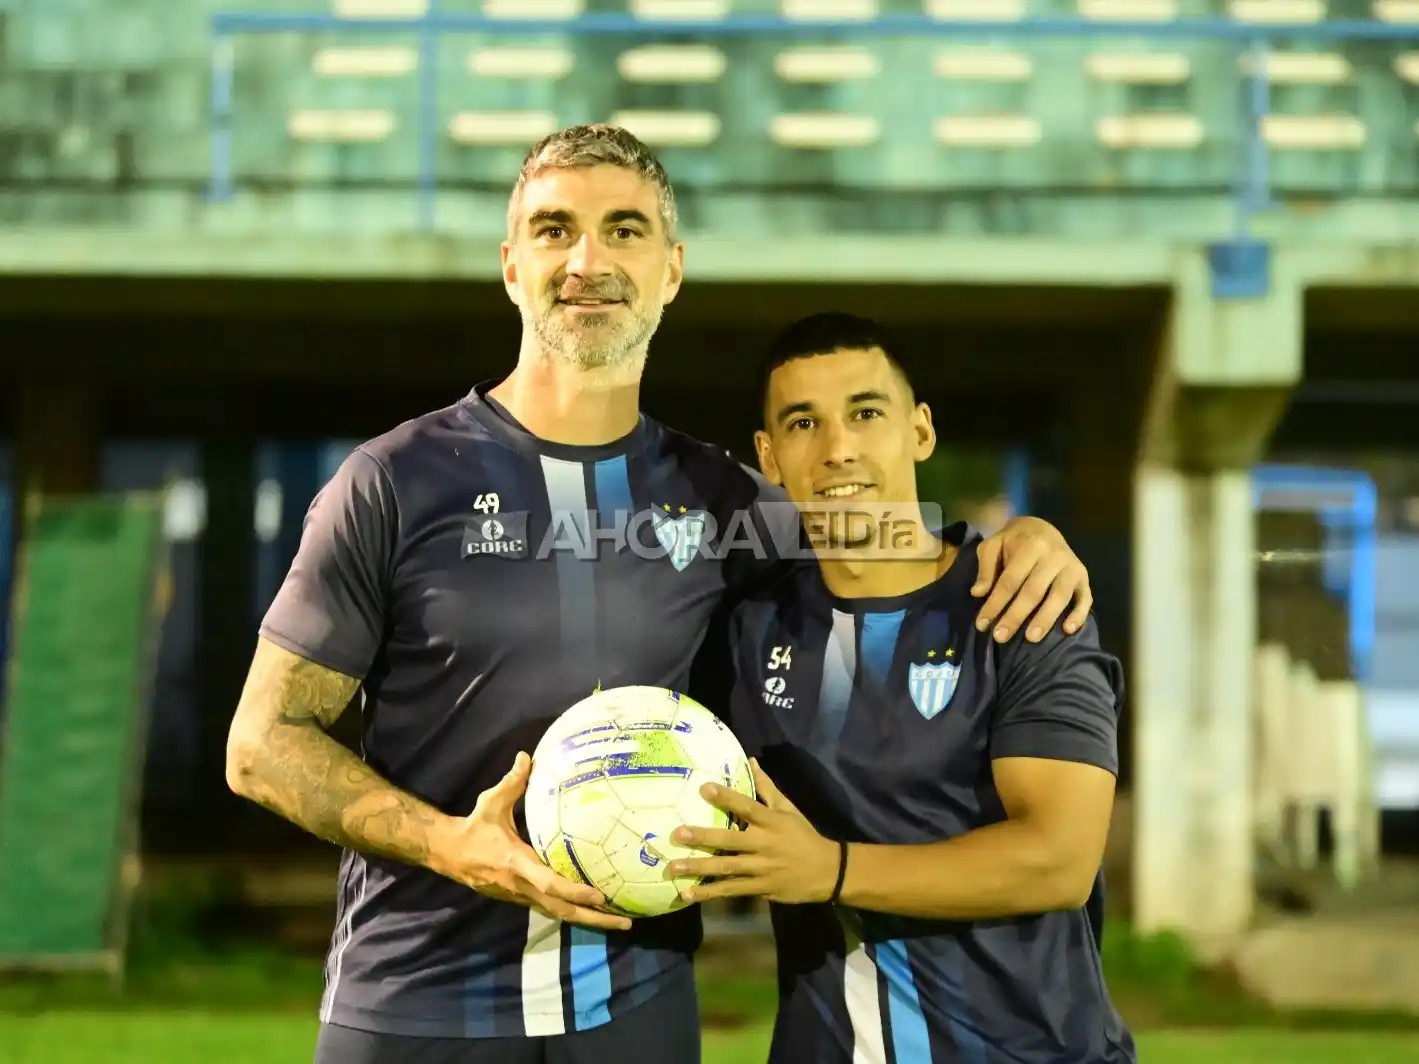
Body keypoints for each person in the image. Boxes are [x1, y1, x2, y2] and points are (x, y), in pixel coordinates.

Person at [224, 127, 1095, 1064]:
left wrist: (1023, 541)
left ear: (670, 270)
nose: (588, 260)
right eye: (555, 230)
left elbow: (893, 544)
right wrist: (446, 845)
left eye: (624, 230)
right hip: (414, 1004)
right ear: (511, 264)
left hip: (634, 1009)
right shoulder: (392, 482)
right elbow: (261, 747)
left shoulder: (729, 504)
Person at [668, 312, 1135, 1063]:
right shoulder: (742, 629)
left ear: (919, 431)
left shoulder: (1021, 604)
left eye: (865, 413)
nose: (837, 449)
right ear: (770, 457)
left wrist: (830, 870)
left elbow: (1059, 857)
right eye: (802, 423)